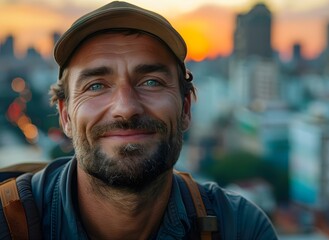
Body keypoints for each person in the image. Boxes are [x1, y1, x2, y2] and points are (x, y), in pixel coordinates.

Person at [0, 1, 278, 239]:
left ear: (185, 109)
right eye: (96, 86)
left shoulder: (239, 227)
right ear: (65, 115)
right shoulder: (9, 222)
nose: (126, 108)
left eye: (151, 82)